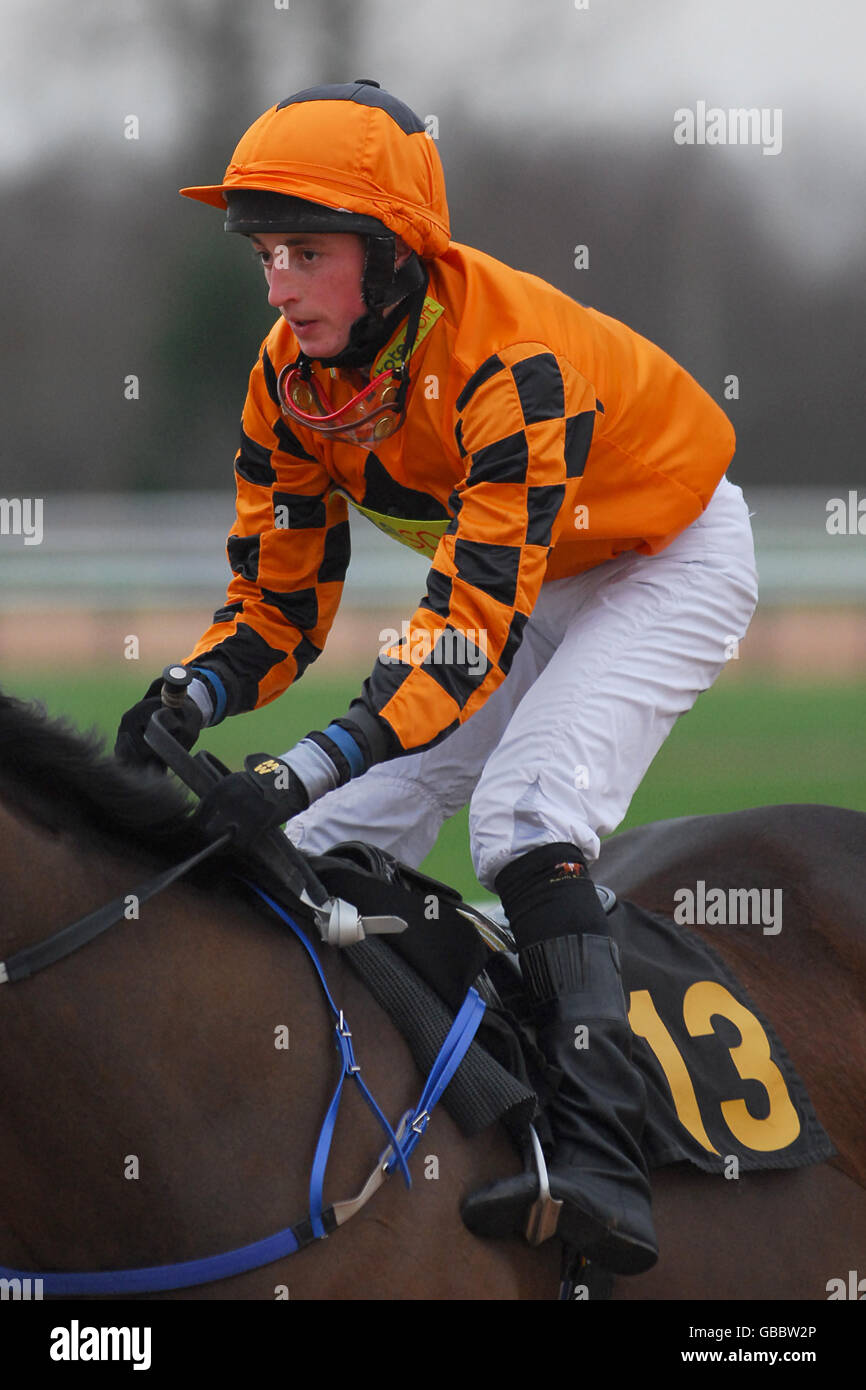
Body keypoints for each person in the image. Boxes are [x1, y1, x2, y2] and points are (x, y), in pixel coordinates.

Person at [115, 80, 758, 1274]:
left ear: (397, 257)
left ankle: (601, 1149)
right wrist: (189, 696)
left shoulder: (505, 359)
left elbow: (463, 628)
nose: (280, 285)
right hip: (522, 578)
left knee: (524, 817)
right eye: (267, 255)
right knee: (326, 839)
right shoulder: (288, 379)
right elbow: (278, 598)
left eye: (307, 253)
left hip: (660, 561)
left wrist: (302, 755)